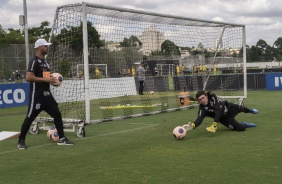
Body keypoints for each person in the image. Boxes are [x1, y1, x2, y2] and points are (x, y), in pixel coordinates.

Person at [17, 38, 74, 149]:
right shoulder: (34, 61)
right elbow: (28, 77)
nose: (47, 47)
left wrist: (53, 79)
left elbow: (46, 77)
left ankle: (62, 138)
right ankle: (21, 141)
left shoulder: (45, 62)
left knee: (57, 114)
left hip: (47, 95)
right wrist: (45, 80)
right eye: (45, 46)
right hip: (37, 95)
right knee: (29, 118)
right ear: (39, 47)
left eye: (47, 46)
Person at [183, 91, 258, 133]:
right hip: (224, 119)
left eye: (203, 98)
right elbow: (199, 119)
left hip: (229, 108)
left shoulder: (212, 96)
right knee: (241, 129)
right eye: (200, 99)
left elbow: (218, 109)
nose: (202, 100)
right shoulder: (202, 109)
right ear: (198, 100)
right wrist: (192, 125)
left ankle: (250, 110)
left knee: (242, 108)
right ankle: (244, 124)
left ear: (206, 96)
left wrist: (215, 123)